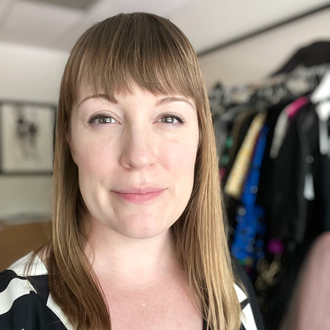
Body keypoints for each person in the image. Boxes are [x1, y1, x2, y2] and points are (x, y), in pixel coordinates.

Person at [0, 13, 263, 330]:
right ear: (69, 141)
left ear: (201, 139)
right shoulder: (13, 310)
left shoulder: (231, 288)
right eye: (104, 118)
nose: (139, 156)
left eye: (168, 118)